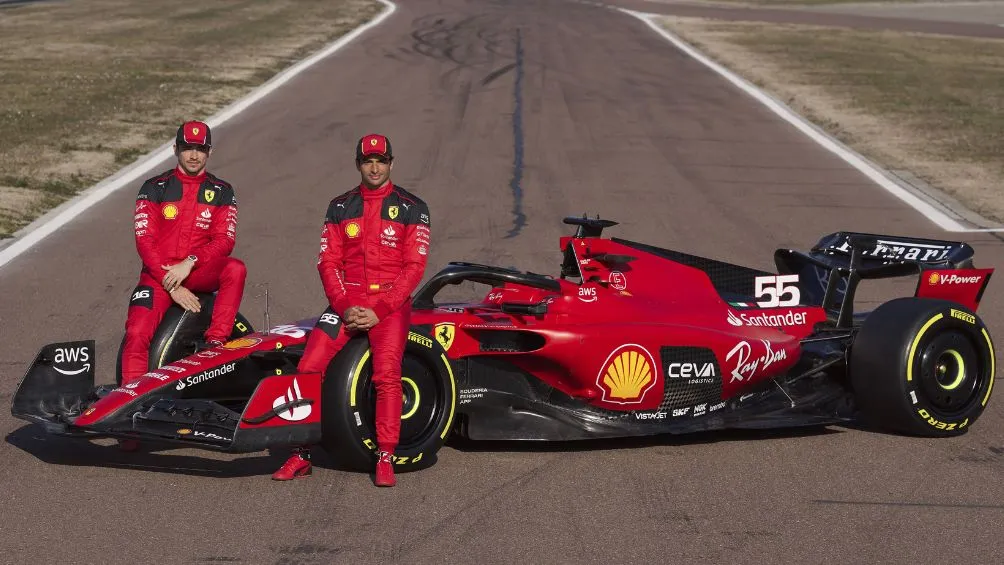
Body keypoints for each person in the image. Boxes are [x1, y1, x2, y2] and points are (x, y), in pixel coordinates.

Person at [272, 133, 431, 486]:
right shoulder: (340, 206)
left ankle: (385, 455)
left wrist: (380, 310)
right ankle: (301, 453)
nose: (374, 168)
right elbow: (327, 262)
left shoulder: (413, 207)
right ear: (358, 164)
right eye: (368, 161)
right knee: (308, 366)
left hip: (390, 303)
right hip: (347, 300)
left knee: (387, 376)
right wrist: (344, 306)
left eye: (381, 161)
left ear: (392, 163)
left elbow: (414, 268)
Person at [119, 121, 246, 448]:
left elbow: (225, 240)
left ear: (209, 152)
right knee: (136, 334)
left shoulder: (222, 191)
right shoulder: (154, 187)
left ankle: (216, 342)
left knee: (235, 269)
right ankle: (130, 420)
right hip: (157, 276)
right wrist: (171, 284)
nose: (193, 155)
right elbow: (145, 241)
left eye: (200, 149)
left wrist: (190, 262)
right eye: (188, 147)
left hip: (197, 270)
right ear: (176, 149)